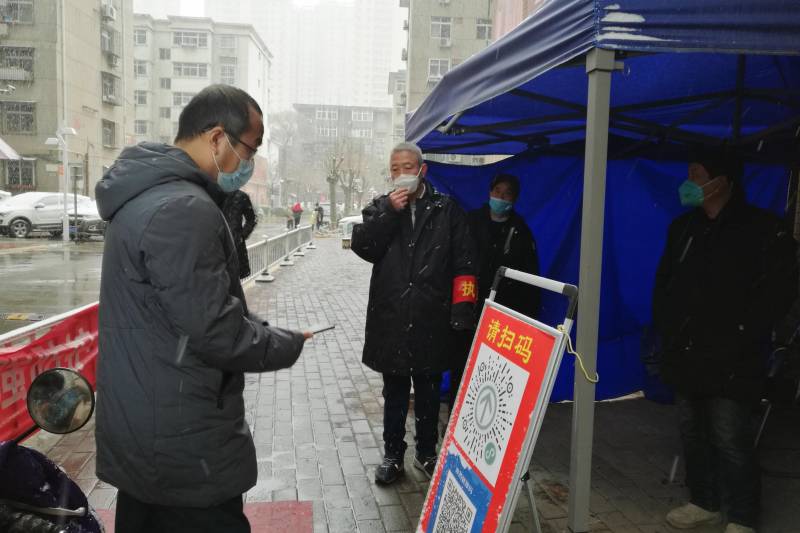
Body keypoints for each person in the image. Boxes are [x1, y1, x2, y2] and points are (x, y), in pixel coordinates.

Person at [94, 84, 312, 533]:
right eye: (250, 148)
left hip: (144, 429)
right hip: (183, 445)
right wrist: (285, 343)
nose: (249, 163)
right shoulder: (183, 209)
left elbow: (179, 311)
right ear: (216, 139)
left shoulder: (143, 196)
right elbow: (216, 332)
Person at [653, 151, 797, 533]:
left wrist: (745, 333)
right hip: (687, 352)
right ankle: (704, 502)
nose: (689, 182)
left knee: (730, 436)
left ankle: (743, 517)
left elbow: (780, 291)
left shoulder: (761, 229)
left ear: (722, 182)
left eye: (697, 174)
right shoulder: (684, 227)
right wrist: (667, 328)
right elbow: (664, 283)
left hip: (734, 357)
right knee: (692, 431)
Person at [351, 142, 477, 485]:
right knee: (394, 393)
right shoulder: (379, 207)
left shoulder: (446, 210)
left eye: (408, 167)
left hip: (431, 317)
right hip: (391, 317)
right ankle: (393, 456)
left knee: (428, 391)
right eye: (395, 169)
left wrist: (461, 314)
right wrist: (390, 211)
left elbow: (465, 263)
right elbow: (364, 247)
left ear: (422, 170)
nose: (401, 174)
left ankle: (426, 453)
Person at [449, 173, 541, 410]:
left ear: (514, 199)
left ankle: (488, 417)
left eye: (507, 194)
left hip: (503, 315)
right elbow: (454, 261)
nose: (501, 197)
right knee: (463, 365)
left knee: (496, 370)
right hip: (469, 310)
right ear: (490, 193)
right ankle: (456, 415)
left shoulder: (521, 231)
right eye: (497, 191)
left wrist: (527, 319)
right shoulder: (471, 221)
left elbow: (529, 278)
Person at [222, 190, 258, 279]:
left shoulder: (242, 196)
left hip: (236, 246)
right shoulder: (212, 193)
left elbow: (252, 219)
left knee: (234, 279)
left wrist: (241, 236)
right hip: (217, 246)